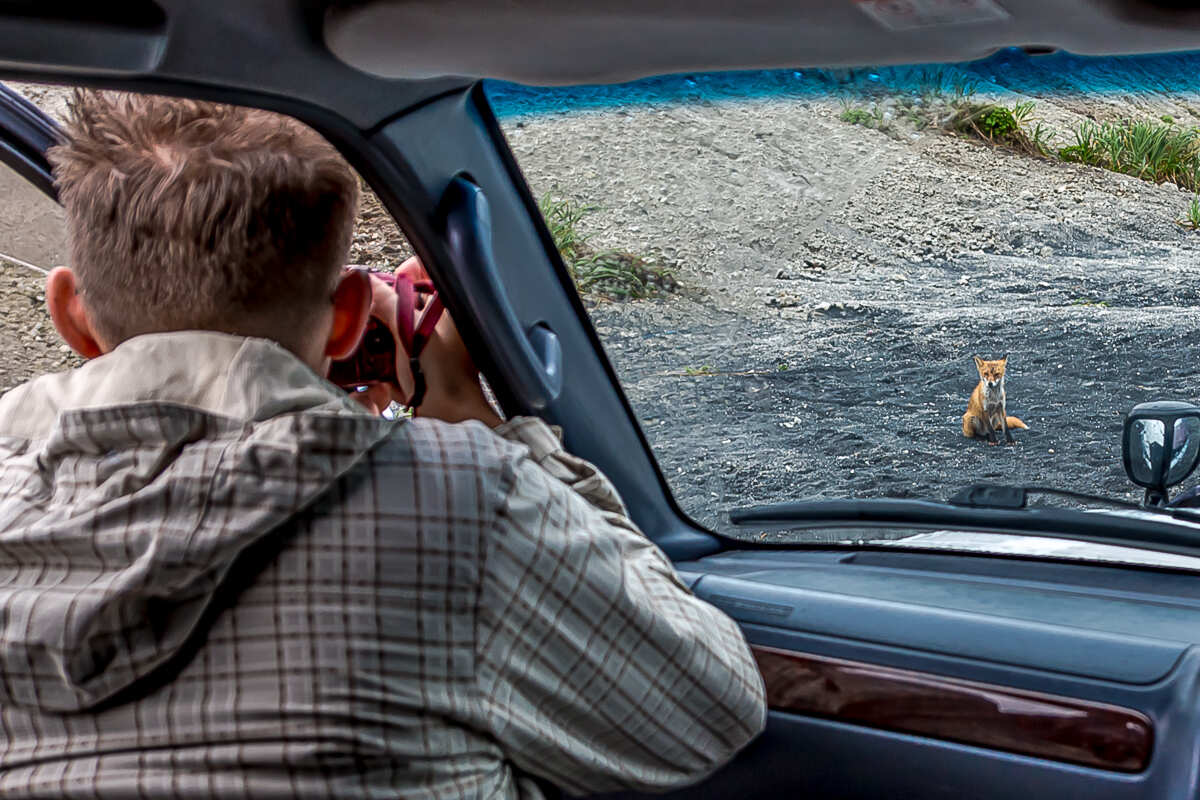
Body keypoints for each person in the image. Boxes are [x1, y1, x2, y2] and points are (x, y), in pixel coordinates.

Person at [0, 91, 766, 798]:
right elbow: (708, 712)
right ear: (348, 319)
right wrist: (468, 418)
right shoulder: (461, 504)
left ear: (70, 314)